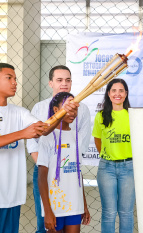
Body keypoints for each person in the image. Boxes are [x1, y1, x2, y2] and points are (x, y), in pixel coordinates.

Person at [0, 63, 79, 233]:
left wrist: (63, 113)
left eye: (15, 79)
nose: (15, 83)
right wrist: (21, 133)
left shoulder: (20, 112)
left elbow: (44, 129)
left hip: (11, 199)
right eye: (9, 78)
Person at [27, 65, 91, 233]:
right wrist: (47, 164)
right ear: (51, 83)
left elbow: (82, 142)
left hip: (70, 175)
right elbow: (33, 143)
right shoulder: (40, 108)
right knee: (46, 223)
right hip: (46, 171)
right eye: (59, 80)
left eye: (68, 80)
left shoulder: (82, 109)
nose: (64, 83)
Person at [38, 92, 91, 233]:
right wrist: (47, 211)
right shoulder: (47, 137)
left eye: (75, 108)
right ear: (56, 110)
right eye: (69, 108)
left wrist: (83, 205)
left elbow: (77, 174)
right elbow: (42, 177)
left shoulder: (77, 137)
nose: (73, 112)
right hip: (54, 207)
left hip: (74, 205)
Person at [92, 78, 135, 233]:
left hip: (129, 168)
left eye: (121, 90)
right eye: (114, 91)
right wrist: (108, 155)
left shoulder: (133, 115)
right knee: (109, 213)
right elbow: (98, 140)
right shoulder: (101, 116)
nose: (118, 94)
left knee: (126, 213)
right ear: (108, 94)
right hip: (107, 169)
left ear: (126, 94)